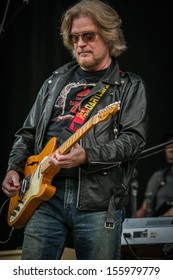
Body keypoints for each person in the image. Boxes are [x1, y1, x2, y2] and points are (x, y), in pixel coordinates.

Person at [2, 0, 148, 260]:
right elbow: (27, 133)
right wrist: (14, 167)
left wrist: (87, 155)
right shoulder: (55, 80)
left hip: (98, 202)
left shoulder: (128, 86)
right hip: (42, 195)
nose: (80, 43)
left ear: (109, 35)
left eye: (89, 35)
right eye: (75, 37)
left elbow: (133, 140)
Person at [134, 132, 173, 218]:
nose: (170, 149)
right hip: (156, 227)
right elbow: (145, 208)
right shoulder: (158, 176)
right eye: (169, 145)